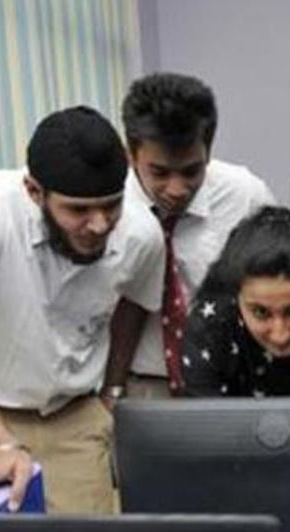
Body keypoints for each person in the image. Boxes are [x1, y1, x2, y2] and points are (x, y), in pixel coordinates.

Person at [0, 106, 165, 512]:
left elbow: (136, 303)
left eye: (111, 205)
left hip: (75, 418)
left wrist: (112, 392)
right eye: (78, 210)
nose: (99, 224)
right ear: (34, 191)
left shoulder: (141, 234)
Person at [112, 72, 275, 399]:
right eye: (159, 172)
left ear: (208, 152)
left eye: (191, 171)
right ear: (131, 154)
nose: (176, 189)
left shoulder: (245, 196)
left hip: (230, 380)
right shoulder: (106, 208)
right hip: (141, 383)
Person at [181, 206, 290, 397]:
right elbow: (204, 412)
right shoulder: (210, 327)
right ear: (235, 296)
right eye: (260, 312)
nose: (280, 336)